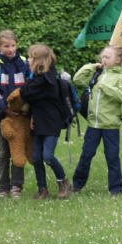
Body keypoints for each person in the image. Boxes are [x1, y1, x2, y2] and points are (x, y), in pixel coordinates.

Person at [71, 45, 122, 195]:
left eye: (107, 57)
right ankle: (77, 185)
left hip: (110, 126)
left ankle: (116, 189)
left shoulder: (121, 77)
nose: (104, 59)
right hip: (93, 124)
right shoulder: (96, 73)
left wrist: (104, 87)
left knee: (112, 157)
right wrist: (91, 66)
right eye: (103, 56)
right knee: (86, 155)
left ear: (117, 60)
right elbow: (77, 79)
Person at [19, 44, 69, 199]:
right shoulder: (37, 77)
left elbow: (25, 93)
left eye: (30, 57)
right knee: (36, 158)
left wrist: (26, 87)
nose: (27, 60)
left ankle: (63, 181)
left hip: (51, 122)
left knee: (48, 156)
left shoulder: (47, 80)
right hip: (38, 122)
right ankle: (42, 188)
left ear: (38, 61)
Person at [0, 30, 29, 198]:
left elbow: (30, 85)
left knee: (18, 149)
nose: (10, 49)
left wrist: (25, 107)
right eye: (6, 46)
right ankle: (3, 186)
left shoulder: (24, 63)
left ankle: (17, 185)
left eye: (13, 46)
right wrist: (5, 109)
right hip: (2, 116)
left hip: (22, 115)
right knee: (4, 152)